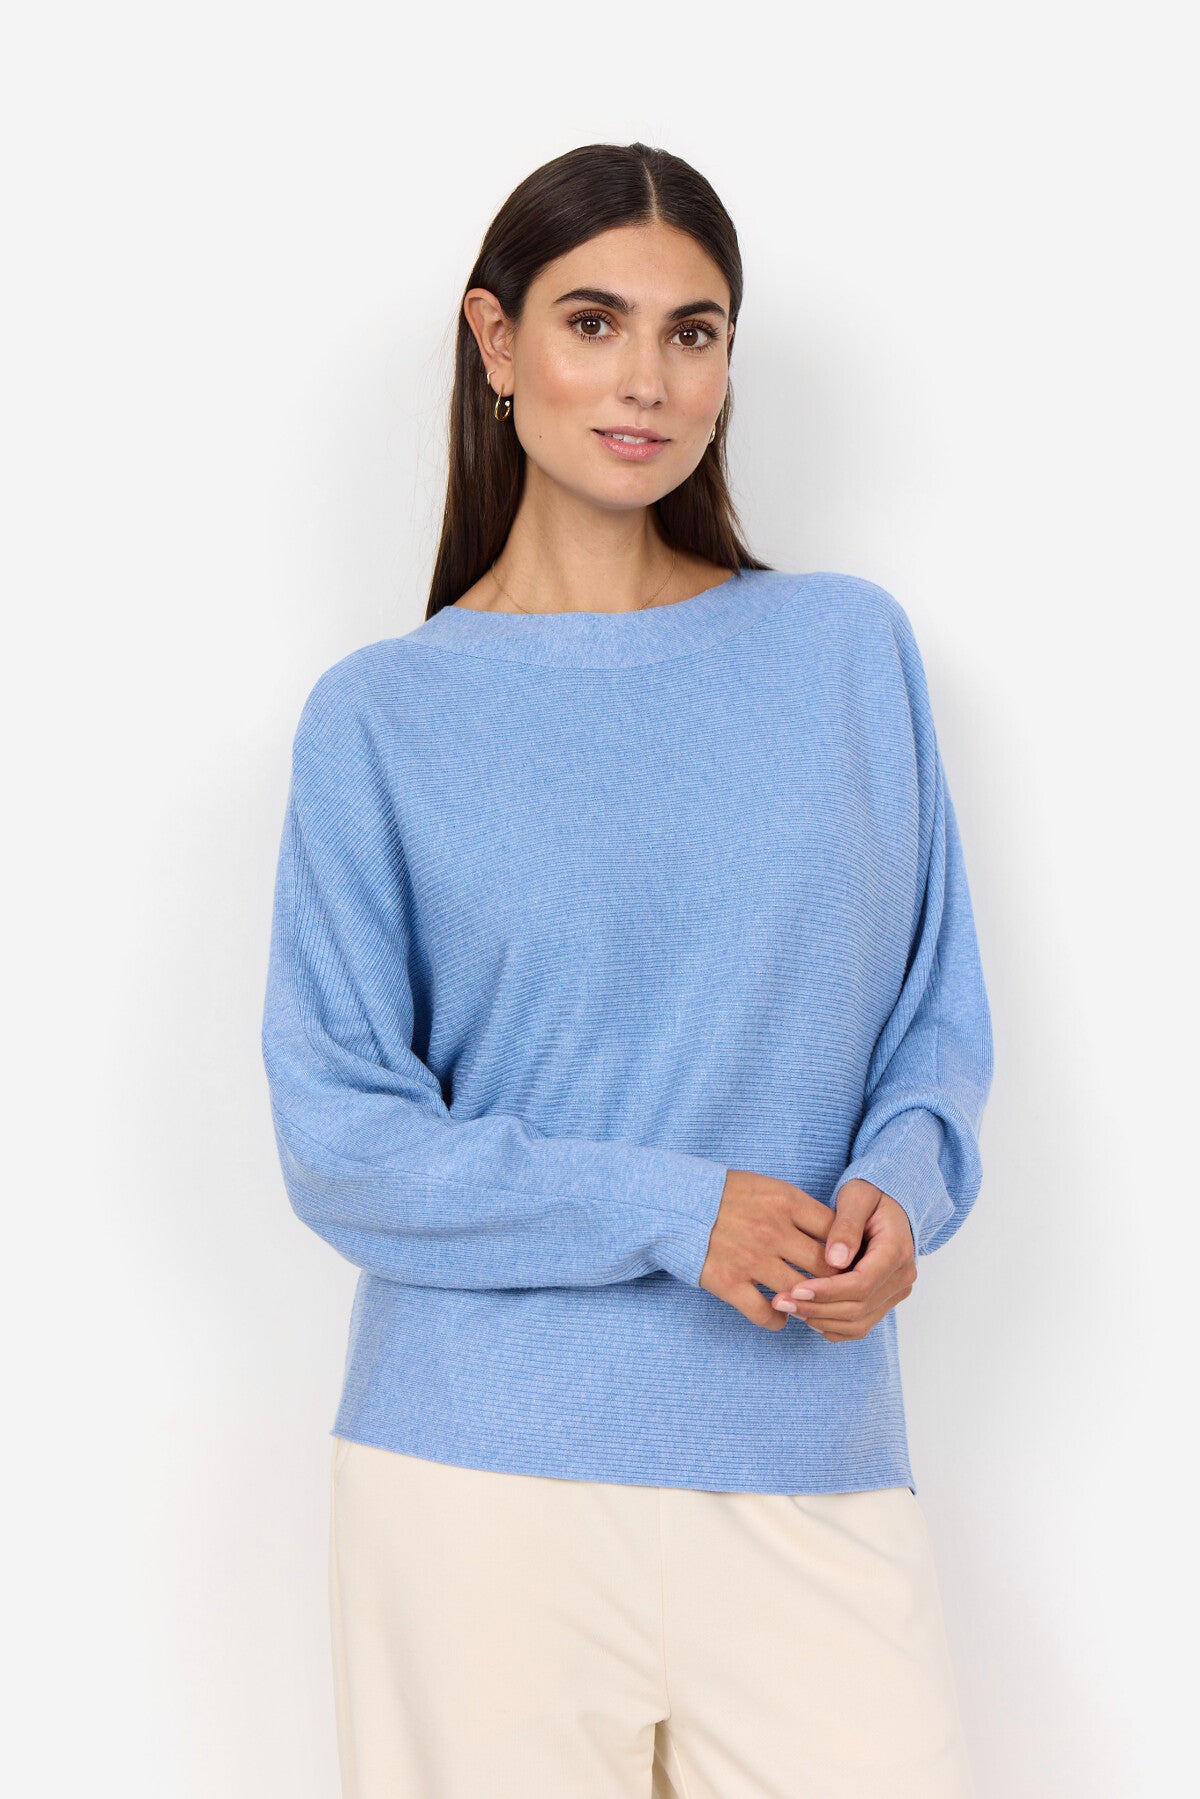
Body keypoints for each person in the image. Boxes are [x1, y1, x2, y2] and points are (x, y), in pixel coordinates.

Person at [261, 140, 994, 1799]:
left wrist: (902, 1186)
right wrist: (680, 1210)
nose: (648, 381)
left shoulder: (843, 652)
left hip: (806, 1454)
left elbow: (934, 1024)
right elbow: (343, 1139)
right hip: (477, 1487)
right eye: (593, 324)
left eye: (693, 332)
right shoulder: (383, 718)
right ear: (496, 340)